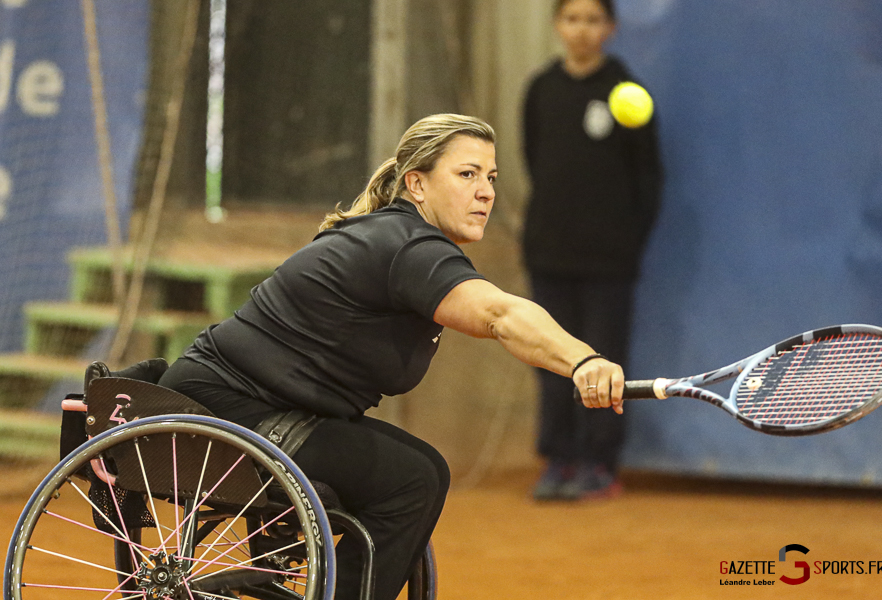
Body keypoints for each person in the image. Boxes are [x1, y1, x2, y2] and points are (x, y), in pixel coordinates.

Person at [159, 113, 625, 600]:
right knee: (412, 479)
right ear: (416, 184)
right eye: (467, 174)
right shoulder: (405, 245)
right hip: (222, 409)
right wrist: (583, 361)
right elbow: (499, 314)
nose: (486, 192)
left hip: (260, 407)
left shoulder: (401, 239)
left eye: (490, 177)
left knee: (421, 469)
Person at [522, 0, 663, 501]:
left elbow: (649, 177)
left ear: (611, 28)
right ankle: (558, 459)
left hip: (609, 259)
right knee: (551, 358)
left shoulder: (627, 91)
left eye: (593, 19)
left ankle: (599, 463)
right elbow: (534, 160)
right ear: (558, 25)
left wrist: (626, 241)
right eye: (572, 18)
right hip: (548, 252)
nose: (582, 29)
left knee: (604, 360)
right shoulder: (541, 88)